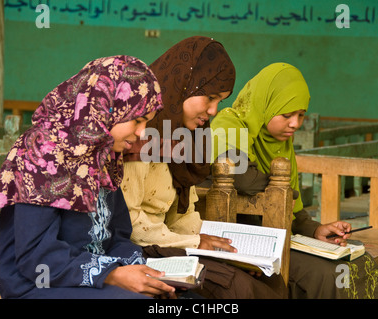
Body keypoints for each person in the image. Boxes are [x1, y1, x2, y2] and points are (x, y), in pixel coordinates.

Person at [0, 55, 178, 299]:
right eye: (137, 120)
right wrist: (112, 275)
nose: (141, 133)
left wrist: (147, 271)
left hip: (91, 276)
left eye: (146, 123)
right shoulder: (43, 152)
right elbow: (36, 256)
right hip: (36, 283)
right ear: (105, 106)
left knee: (172, 294)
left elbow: (116, 235)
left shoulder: (104, 154)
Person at [121, 36, 287, 299]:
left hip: (169, 244)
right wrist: (197, 243)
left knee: (270, 280)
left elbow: (181, 214)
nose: (213, 110)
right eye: (209, 97)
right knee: (236, 287)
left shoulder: (183, 138)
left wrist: (229, 253)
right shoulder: (138, 138)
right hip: (138, 249)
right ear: (183, 86)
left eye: (220, 101)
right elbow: (131, 225)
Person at [210, 62, 378, 299]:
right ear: (267, 103)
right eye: (287, 114)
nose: (295, 124)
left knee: (358, 262)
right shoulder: (229, 123)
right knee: (329, 274)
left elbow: (293, 212)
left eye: (301, 115)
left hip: (276, 238)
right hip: (240, 242)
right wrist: (285, 192)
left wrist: (317, 230)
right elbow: (242, 179)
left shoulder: (281, 142)